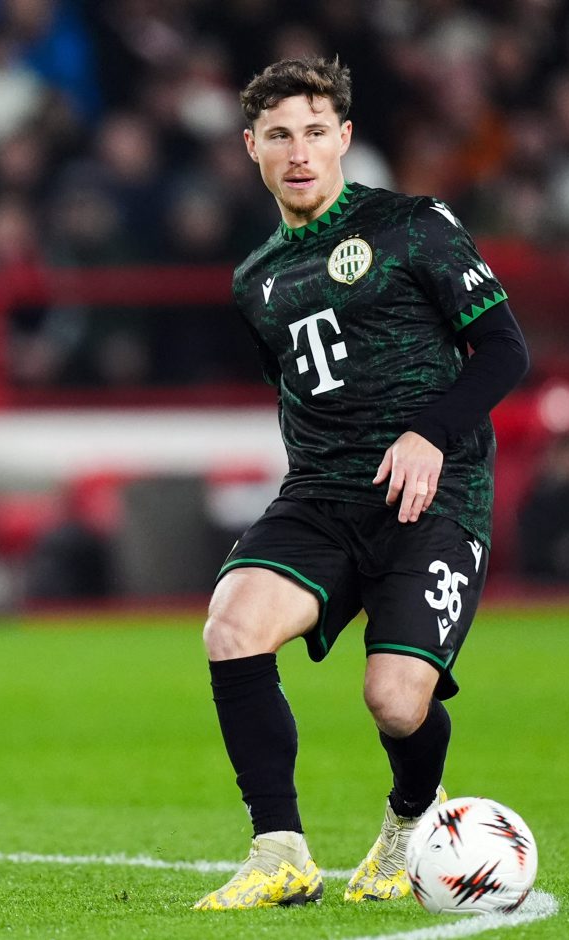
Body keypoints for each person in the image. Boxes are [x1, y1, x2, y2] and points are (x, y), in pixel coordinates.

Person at [195, 55, 530, 912]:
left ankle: (408, 819)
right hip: (321, 495)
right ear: (251, 147)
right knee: (231, 626)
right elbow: (297, 390)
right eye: (279, 136)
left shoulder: (412, 225)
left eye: (315, 132)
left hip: (433, 494)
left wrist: (429, 433)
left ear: (343, 137)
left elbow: (503, 350)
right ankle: (279, 852)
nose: (298, 151)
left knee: (394, 700)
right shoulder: (254, 279)